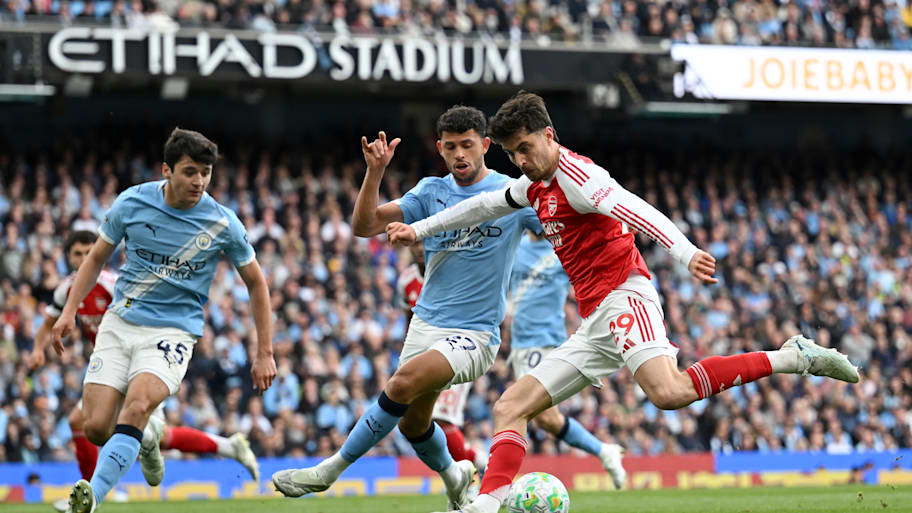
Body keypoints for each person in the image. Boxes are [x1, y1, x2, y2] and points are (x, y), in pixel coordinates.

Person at [386, 91, 860, 513]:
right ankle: (486, 505)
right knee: (511, 406)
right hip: (595, 319)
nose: (521, 160)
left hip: (625, 294)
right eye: (512, 154)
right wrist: (419, 230)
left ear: (549, 136)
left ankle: (792, 356)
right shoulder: (533, 187)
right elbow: (480, 206)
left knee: (668, 393)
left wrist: (684, 252)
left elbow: (637, 210)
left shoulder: (579, 177)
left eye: (526, 148)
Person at [272, 106, 542, 510]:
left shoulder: (512, 193)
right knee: (413, 422)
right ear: (440, 148)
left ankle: (328, 471)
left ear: (486, 145)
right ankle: (454, 475)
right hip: (426, 324)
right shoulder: (430, 192)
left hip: (475, 334)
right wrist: (375, 172)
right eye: (450, 147)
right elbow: (364, 226)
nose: (459, 155)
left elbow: (557, 229)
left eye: (467, 145)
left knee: (400, 385)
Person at [54, 128, 276, 513]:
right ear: (166, 170)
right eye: (190, 171)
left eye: (205, 172)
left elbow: (257, 282)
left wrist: (265, 352)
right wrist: (68, 311)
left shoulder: (223, 223)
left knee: (137, 406)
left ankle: (92, 499)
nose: (199, 181)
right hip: (120, 322)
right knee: (95, 427)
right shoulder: (132, 203)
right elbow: (94, 259)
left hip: (173, 331)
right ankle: (151, 436)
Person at [28, 230, 260, 512]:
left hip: (137, 362)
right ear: (68, 257)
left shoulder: (113, 284)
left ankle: (91, 493)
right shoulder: (67, 289)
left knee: (141, 433)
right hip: (110, 367)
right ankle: (227, 447)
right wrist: (38, 349)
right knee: (111, 428)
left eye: (90, 252)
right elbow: (47, 323)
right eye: (77, 254)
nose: (84, 258)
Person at [506, 230, 625, 488]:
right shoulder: (516, 247)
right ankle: (604, 451)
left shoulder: (562, 252)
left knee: (515, 408)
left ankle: (494, 483)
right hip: (519, 344)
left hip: (545, 342)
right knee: (547, 419)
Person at [397, 243, 487, 475]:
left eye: (422, 242)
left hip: (455, 352)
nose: (417, 249)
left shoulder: (451, 270)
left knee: (440, 418)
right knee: (420, 421)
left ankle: (471, 473)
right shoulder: (406, 281)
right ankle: (477, 464)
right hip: (422, 360)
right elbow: (409, 320)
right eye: (413, 244)